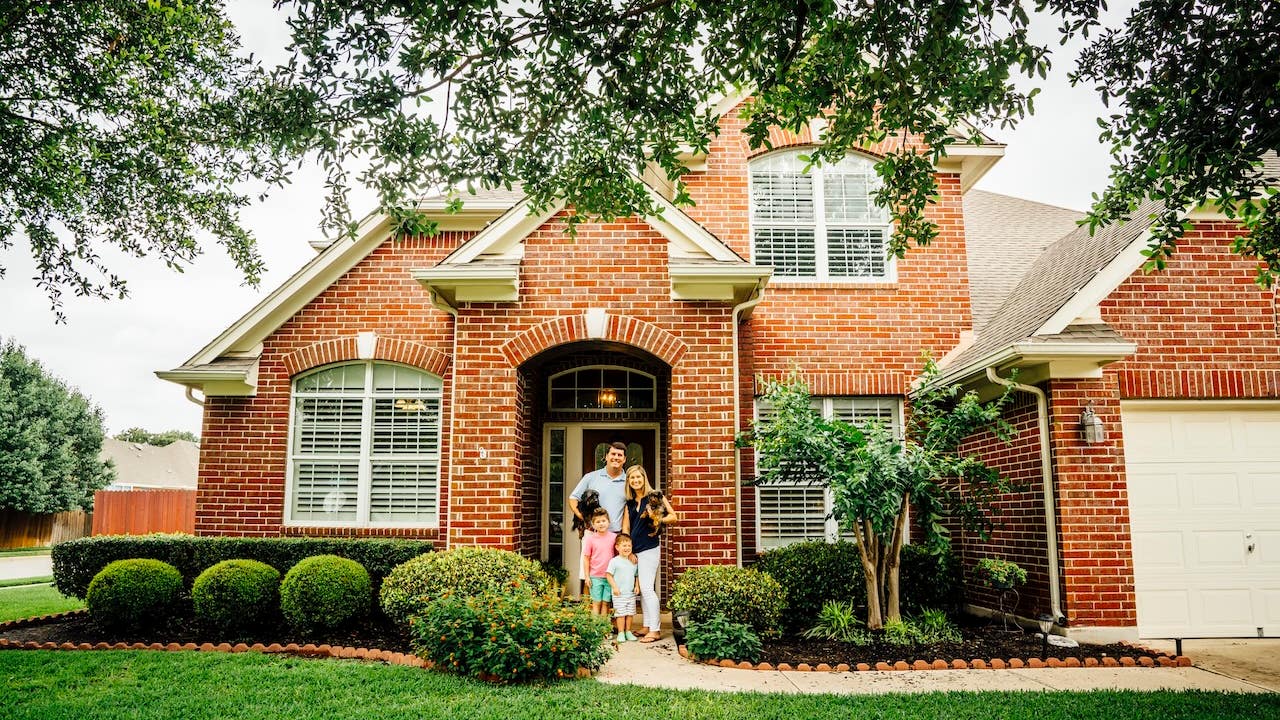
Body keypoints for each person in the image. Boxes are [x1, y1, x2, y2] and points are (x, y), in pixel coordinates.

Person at [620, 465, 677, 643]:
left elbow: (673, 517)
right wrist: (627, 549)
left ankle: (655, 630)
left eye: (638, 477)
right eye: (632, 478)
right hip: (634, 550)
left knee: (646, 589)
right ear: (628, 482)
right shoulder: (629, 503)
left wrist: (657, 518)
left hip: (649, 548)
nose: (635, 481)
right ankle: (646, 625)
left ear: (644, 478)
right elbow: (626, 527)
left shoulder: (655, 498)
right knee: (643, 591)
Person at [570, 441, 628, 533]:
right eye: (613, 454)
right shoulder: (590, 477)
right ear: (606, 456)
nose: (616, 457)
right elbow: (573, 498)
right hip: (592, 533)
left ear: (624, 459)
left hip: (616, 535)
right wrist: (583, 518)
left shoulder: (628, 482)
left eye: (619, 455)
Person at [580, 507, 616, 617]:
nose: (601, 524)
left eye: (603, 521)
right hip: (595, 576)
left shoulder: (614, 537)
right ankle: (596, 629)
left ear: (608, 522)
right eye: (598, 522)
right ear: (593, 524)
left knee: (606, 603)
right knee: (596, 603)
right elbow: (586, 558)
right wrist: (587, 576)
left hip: (610, 576)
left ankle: (604, 628)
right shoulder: (591, 539)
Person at [606, 533, 640, 642]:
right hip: (619, 593)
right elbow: (608, 575)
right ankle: (621, 632)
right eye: (624, 546)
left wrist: (637, 586)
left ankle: (628, 631)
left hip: (630, 593)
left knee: (630, 613)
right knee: (620, 614)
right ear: (617, 547)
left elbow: (636, 575)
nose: (627, 548)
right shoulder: (614, 561)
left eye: (629, 546)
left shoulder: (633, 561)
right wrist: (614, 587)